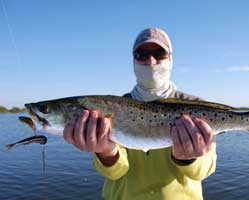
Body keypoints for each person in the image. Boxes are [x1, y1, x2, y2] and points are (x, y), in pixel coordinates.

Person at [63, 27, 217, 200]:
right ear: (133, 62)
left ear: (170, 60)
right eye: (142, 55)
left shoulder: (197, 108)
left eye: (159, 53)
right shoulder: (112, 109)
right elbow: (116, 173)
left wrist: (188, 158)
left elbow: (204, 170)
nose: (151, 61)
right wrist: (106, 152)